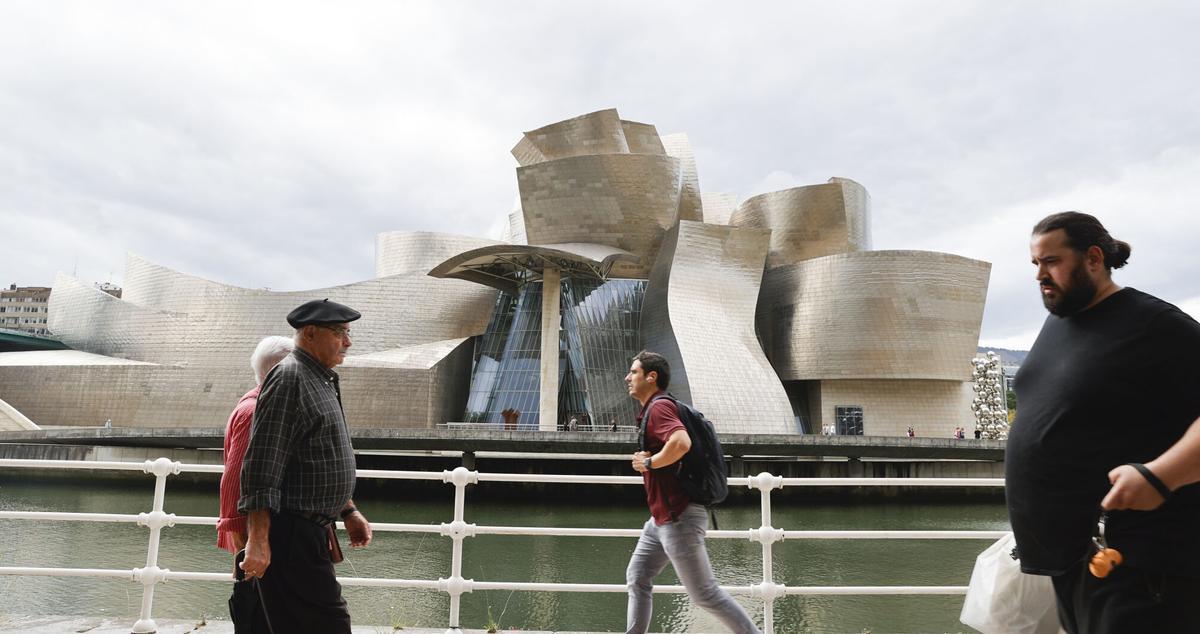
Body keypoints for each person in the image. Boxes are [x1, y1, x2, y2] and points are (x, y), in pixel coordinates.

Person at [1006, 212, 1200, 633]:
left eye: (1052, 261)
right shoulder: (1058, 325)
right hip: (1073, 562)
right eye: (1035, 264)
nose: (1041, 274)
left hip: (1142, 566)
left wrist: (1161, 475)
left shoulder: (1155, 326)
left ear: (1093, 258)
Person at [238, 299, 373, 633]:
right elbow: (262, 463)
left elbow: (317, 456)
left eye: (348, 332)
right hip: (292, 535)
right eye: (340, 332)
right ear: (310, 333)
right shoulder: (289, 379)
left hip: (311, 532)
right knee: (328, 625)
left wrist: (349, 511)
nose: (348, 342)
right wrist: (257, 539)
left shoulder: (320, 378)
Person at [624, 351, 760, 634]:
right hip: (661, 519)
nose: (628, 377)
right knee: (637, 577)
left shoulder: (660, 407)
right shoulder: (655, 408)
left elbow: (681, 442)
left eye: (634, 372)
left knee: (705, 594)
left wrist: (649, 462)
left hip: (679, 517)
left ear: (652, 376)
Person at [217, 335, 294, 554]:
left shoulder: (264, 406)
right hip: (262, 537)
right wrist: (244, 543)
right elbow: (235, 479)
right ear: (279, 372)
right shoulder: (255, 413)